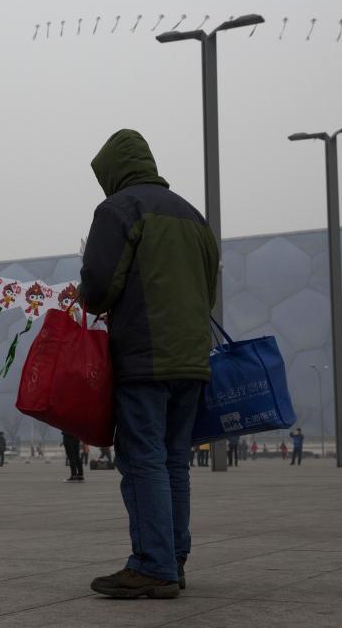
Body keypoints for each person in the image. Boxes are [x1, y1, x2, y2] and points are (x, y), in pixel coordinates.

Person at [80, 129, 219, 599]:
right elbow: (208, 289)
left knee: (142, 460)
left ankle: (152, 564)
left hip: (145, 357)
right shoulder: (194, 216)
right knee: (174, 461)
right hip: (192, 360)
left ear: (114, 171)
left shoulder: (120, 210)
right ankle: (173, 558)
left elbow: (99, 283)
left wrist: (90, 298)